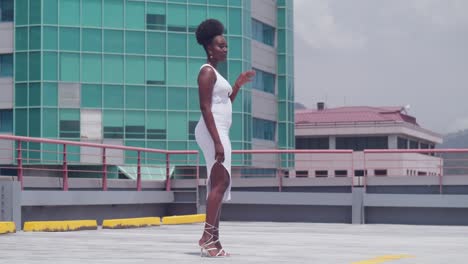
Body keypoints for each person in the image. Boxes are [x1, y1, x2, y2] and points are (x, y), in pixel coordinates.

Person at [194, 19, 255, 257]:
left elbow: (224, 104)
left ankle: (215, 241)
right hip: (213, 131)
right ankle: (207, 236)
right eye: (221, 46)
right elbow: (205, 108)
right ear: (210, 48)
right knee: (220, 183)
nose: (225, 49)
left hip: (219, 130)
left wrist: (237, 85)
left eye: (226, 45)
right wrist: (217, 141)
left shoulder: (216, 74)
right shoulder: (206, 73)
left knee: (220, 183)